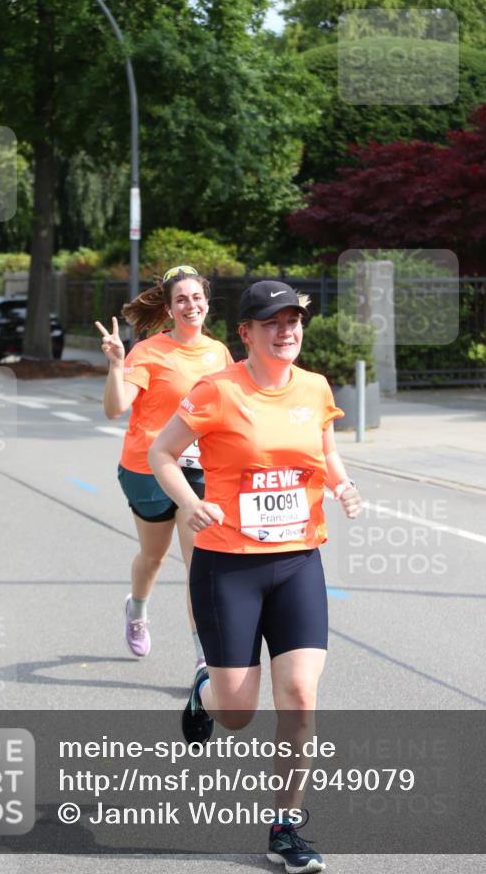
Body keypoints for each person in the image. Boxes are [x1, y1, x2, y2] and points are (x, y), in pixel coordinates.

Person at [149, 280, 362, 874]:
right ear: (245, 333)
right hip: (228, 567)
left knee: (298, 693)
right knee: (237, 712)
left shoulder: (316, 388)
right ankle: (204, 689)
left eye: (294, 320)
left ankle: (286, 826)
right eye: (272, 322)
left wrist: (341, 483)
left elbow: (325, 449)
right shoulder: (216, 390)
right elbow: (162, 454)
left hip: (297, 561)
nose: (286, 330)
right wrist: (186, 504)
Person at [95, 265, 232, 669]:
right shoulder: (149, 352)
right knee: (153, 558)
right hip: (147, 468)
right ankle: (137, 609)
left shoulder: (218, 351)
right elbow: (115, 408)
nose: (191, 306)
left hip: (199, 470)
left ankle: (203, 661)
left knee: (198, 567)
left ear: (206, 303)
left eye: (196, 298)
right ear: (170, 310)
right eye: (181, 300)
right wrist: (117, 364)